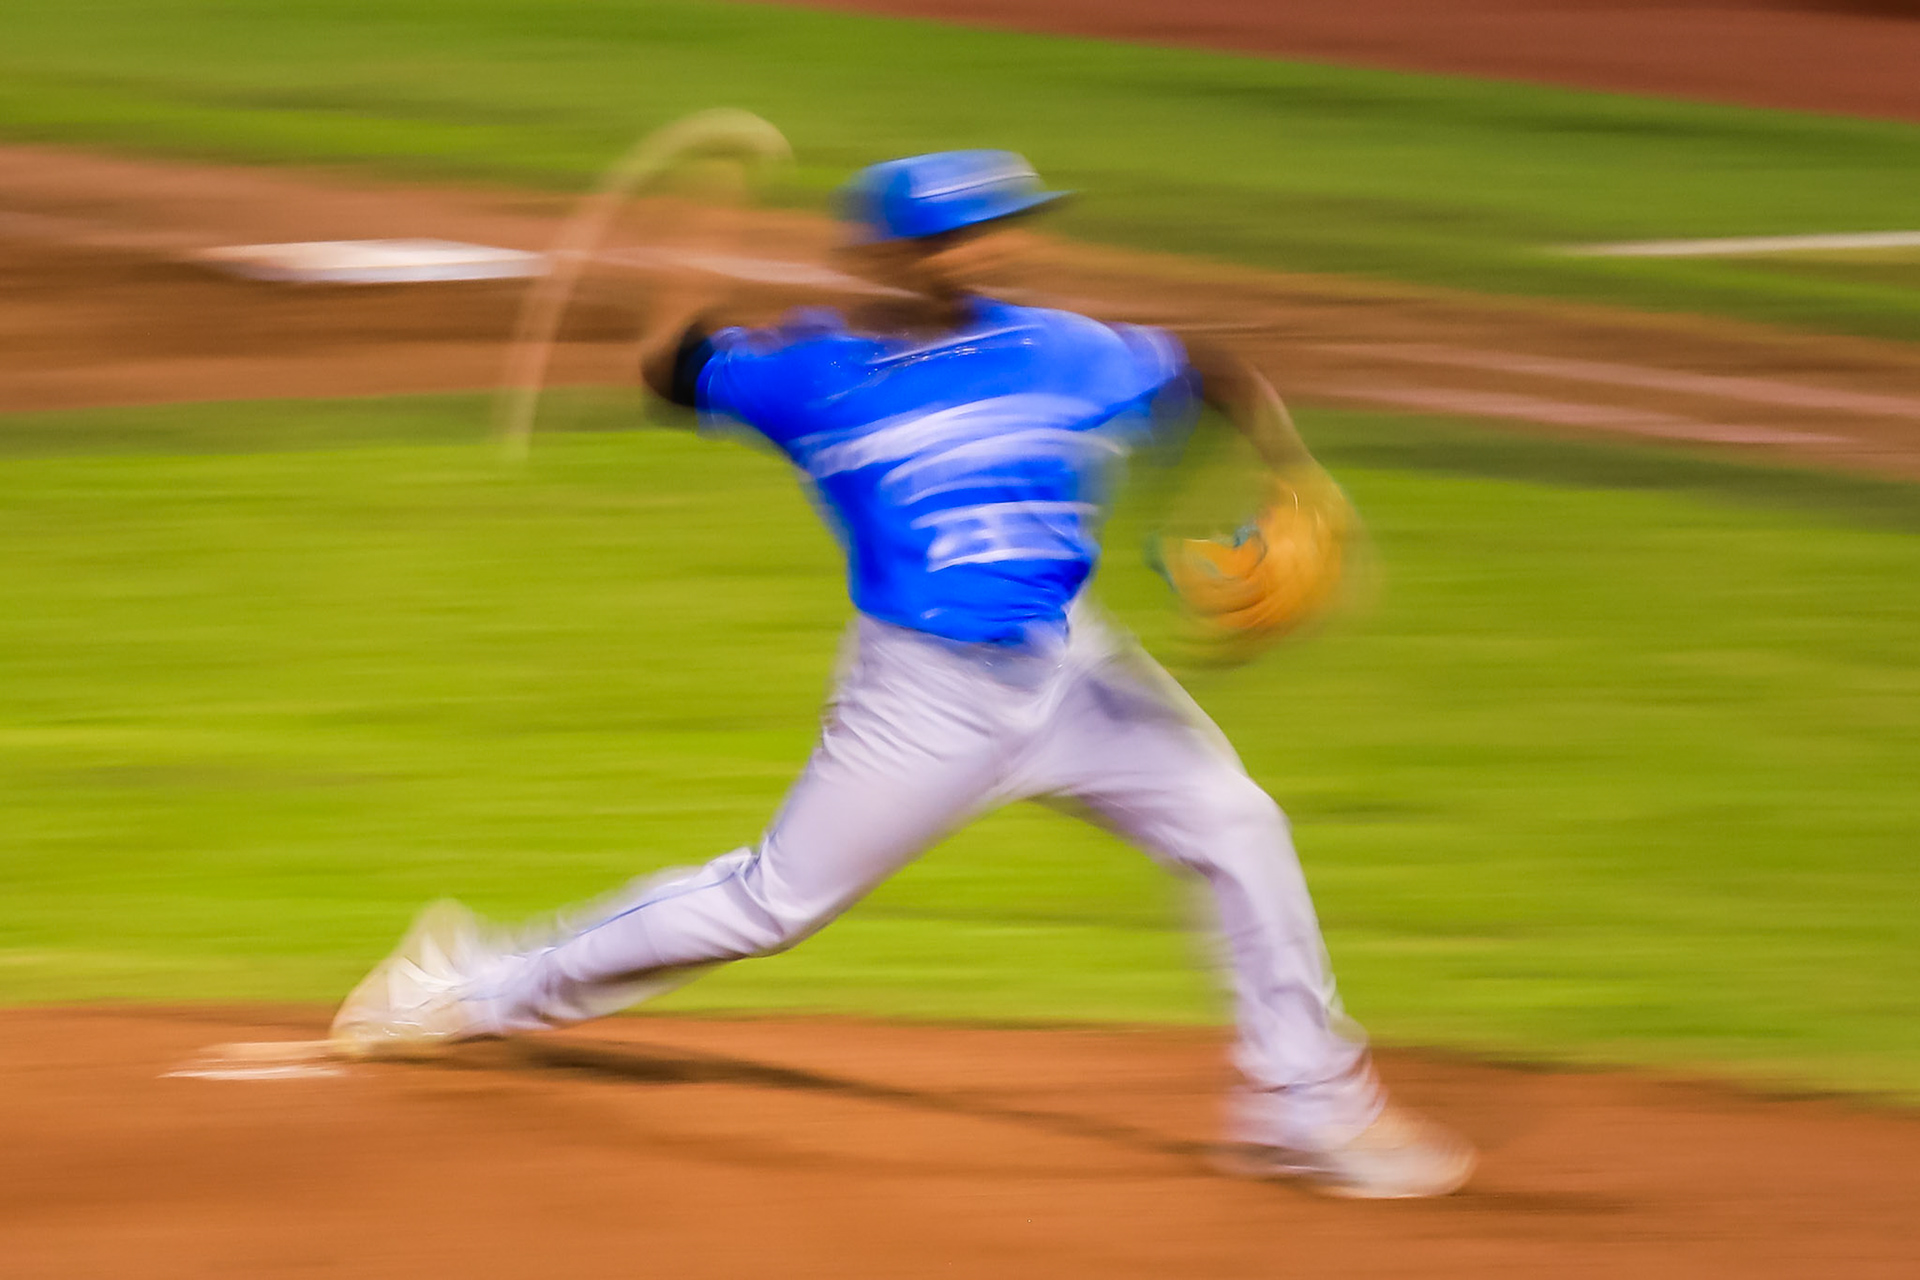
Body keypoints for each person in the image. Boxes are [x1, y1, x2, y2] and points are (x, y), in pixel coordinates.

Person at [332, 149, 1475, 1199]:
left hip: (1072, 667)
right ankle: (469, 979)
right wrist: (687, 238)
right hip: (922, 698)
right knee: (770, 902)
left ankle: (1306, 1106)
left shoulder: (1069, 346)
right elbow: (670, 369)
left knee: (1239, 825)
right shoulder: (812, 371)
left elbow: (1212, 365)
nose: (994, 248)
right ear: (897, 253)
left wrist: (1295, 471)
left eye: (1004, 227)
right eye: (965, 233)